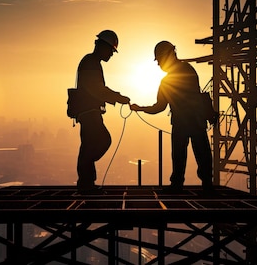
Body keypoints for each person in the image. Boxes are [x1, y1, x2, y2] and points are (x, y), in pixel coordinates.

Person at [130, 41, 213, 193]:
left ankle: (178, 184)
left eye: (160, 60)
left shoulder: (168, 81)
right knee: (201, 154)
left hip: (184, 123)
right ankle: (206, 184)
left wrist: (139, 109)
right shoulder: (188, 70)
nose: (159, 65)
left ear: (167, 56)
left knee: (182, 155)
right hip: (195, 121)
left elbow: (159, 107)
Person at [74, 30, 130, 195]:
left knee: (90, 146)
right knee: (100, 142)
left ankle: (86, 182)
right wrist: (118, 97)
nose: (112, 55)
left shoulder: (91, 62)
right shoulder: (91, 63)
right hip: (89, 112)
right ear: (102, 47)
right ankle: (86, 182)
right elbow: (96, 89)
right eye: (111, 51)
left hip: (89, 112)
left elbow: (96, 89)